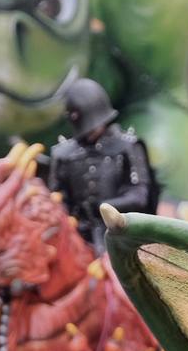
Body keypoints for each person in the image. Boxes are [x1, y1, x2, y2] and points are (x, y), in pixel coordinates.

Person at [48, 79, 156, 252]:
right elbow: (57, 198)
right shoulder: (63, 154)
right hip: (76, 238)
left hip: (120, 232)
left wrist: (105, 206)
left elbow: (139, 196)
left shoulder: (128, 146)